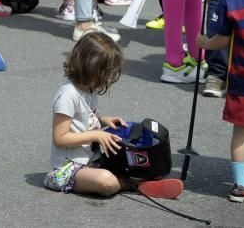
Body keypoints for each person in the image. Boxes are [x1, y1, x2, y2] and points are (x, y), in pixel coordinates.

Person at [45, 32, 183, 199]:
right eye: (104, 74)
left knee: (125, 158)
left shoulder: (88, 88)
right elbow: (60, 138)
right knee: (106, 182)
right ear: (89, 67)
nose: (107, 79)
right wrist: (97, 134)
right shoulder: (67, 95)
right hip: (66, 169)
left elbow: (83, 119)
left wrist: (104, 121)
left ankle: (137, 180)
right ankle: (134, 185)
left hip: (92, 161)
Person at [197, 0, 244, 202]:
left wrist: (204, 41)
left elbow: (221, 39)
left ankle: (241, 185)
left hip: (242, 80)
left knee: (242, 133)